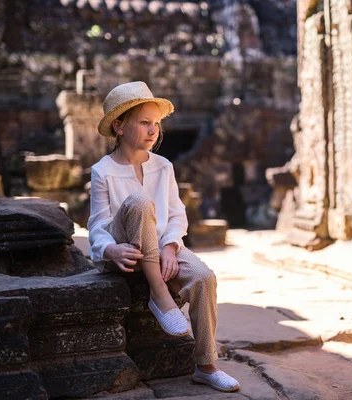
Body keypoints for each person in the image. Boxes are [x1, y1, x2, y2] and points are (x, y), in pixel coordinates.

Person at [87, 81, 239, 393]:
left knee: (203, 277)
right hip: (124, 249)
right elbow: (98, 226)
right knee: (141, 202)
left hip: (158, 247)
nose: (153, 130)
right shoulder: (102, 171)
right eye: (144, 122)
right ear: (119, 126)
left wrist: (170, 247)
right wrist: (110, 250)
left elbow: (176, 215)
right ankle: (160, 294)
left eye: (156, 123)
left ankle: (206, 365)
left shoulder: (163, 166)